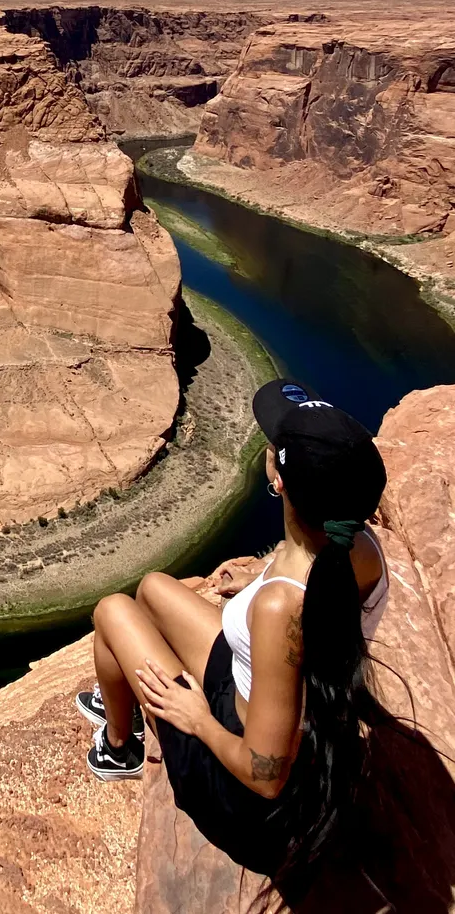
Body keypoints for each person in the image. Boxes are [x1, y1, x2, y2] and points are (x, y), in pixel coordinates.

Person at [79, 379, 390, 899]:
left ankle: (120, 748)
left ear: (280, 480)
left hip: (241, 785)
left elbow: (266, 774)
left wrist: (196, 718)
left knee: (112, 611)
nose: (268, 443)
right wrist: (262, 572)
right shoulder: (355, 545)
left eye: (274, 443)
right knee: (153, 588)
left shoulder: (278, 610)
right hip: (269, 700)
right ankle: (129, 713)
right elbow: (308, 577)